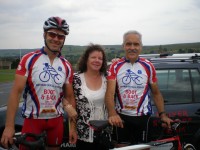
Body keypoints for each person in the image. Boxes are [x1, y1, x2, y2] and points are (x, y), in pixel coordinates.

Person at [0, 16, 77, 150]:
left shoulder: (67, 65)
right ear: (44, 34)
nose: (56, 39)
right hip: (33, 120)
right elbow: (16, 93)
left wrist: (72, 128)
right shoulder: (29, 59)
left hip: (56, 121)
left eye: (61, 37)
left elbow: (69, 97)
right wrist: (9, 126)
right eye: (52, 34)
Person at [105, 30, 173, 145]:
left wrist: (162, 114)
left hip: (143, 118)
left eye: (136, 44)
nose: (132, 47)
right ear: (123, 46)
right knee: (122, 147)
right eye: (128, 44)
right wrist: (112, 114)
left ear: (141, 46)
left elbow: (156, 93)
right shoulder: (115, 66)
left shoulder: (148, 66)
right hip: (121, 117)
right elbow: (109, 93)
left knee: (142, 148)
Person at [73, 43, 108, 150]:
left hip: (105, 134)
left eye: (100, 58)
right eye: (93, 57)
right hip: (83, 134)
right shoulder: (76, 79)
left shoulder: (108, 78)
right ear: (86, 59)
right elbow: (67, 98)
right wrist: (72, 129)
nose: (97, 60)